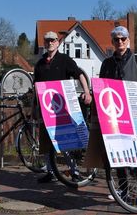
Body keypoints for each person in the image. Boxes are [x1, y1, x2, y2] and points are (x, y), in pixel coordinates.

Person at [99, 26, 137, 203]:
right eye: (116, 39)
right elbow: (101, 85)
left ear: (128, 40)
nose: (120, 42)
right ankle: (123, 190)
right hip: (114, 115)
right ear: (112, 42)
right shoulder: (107, 63)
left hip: (133, 112)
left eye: (123, 39)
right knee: (118, 153)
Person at [33, 31, 92, 183]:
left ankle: (74, 171)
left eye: (53, 40)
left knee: (65, 141)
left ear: (57, 43)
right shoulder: (39, 64)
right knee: (46, 142)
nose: (50, 43)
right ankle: (50, 171)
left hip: (62, 108)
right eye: (47, 41)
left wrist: (86, 91)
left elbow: (79, 74)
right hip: (46, 109)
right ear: (44, 43)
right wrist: (34, 108)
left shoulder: (64, 59)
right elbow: (36, 87)